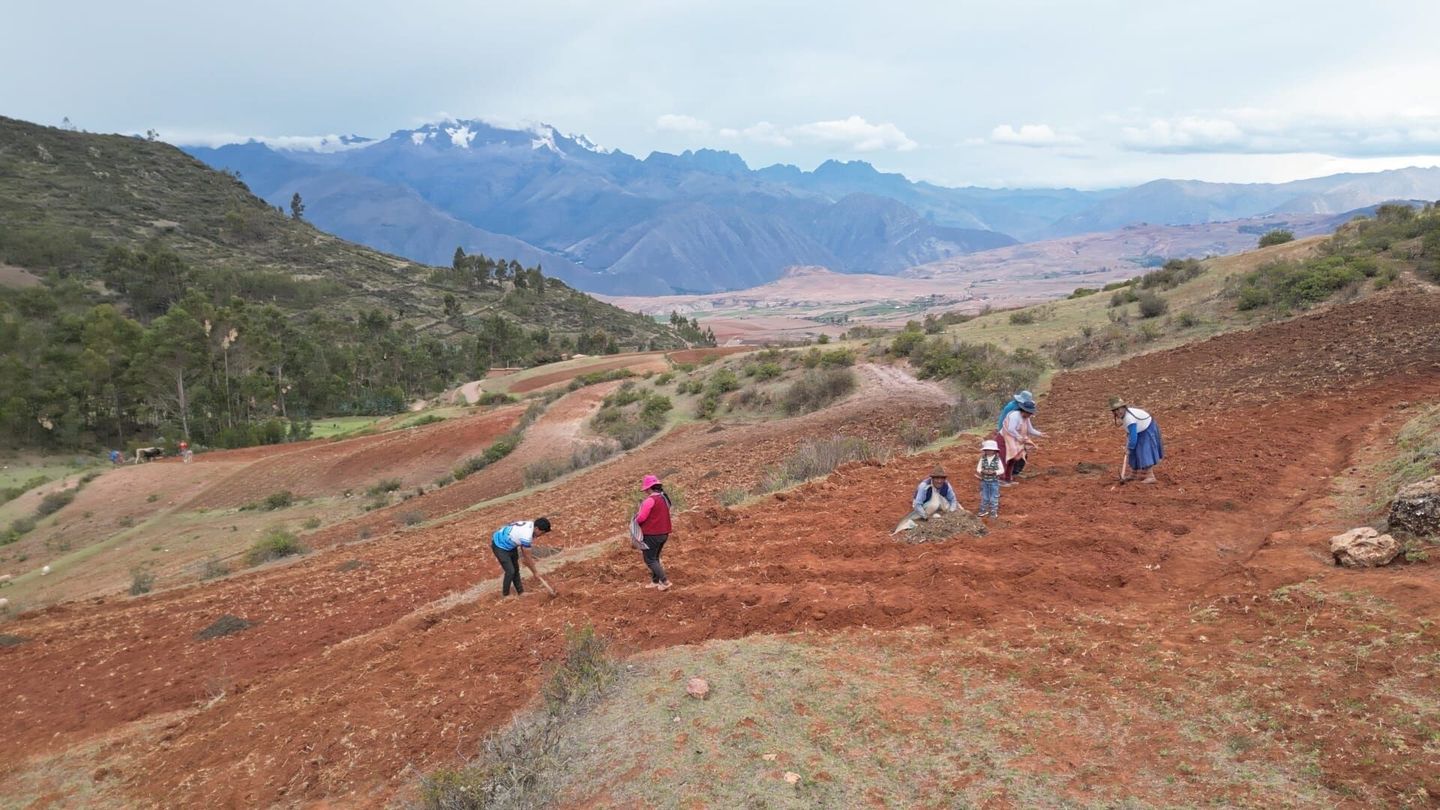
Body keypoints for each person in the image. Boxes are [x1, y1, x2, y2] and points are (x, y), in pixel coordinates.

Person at [490, 517, 551, 596]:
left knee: (516, 569)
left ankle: (521, 592)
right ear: (536, 528)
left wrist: (527, 562)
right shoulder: (526, 535)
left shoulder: (531, 526)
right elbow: (527, 557)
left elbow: (524, 553)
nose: (542, 535)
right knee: (510, 571)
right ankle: (505, 595)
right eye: (542, 532)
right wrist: (535, 572)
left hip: (511, 544)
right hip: (499, 545)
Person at [632, 475, 674, 591]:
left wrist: (634, 521)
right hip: (664, 533)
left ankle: (665, 581)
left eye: (646, 489)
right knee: (655, 557)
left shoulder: (650, 500)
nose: (645, 491)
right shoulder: (663, 498)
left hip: (652, 534)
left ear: (649, 488)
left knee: (649, 559)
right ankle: (655, 581)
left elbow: (641, 518)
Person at [1110, 397, 1163, 484]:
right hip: (1139, 429)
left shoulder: (1129, 418)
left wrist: (1129, 448)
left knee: (1144, 450)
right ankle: (1133, 474)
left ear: (1124, 407)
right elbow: (1130, 433)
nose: (1118, 412)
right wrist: (1129, 446)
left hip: (1147, 429)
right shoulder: (1124, 416)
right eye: (1115, 410)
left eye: (1119, 409)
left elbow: (1133, 436)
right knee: (1133, 451)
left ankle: (1150, 476)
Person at [998, 399, 1044, 484]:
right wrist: (1020, 437)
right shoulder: (1015, 416)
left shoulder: (1026, 418)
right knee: (1004, 458)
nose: (1030, 414)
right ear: (1024, 410)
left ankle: (1008, 478)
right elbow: (1010, 429)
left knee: (1012, 459)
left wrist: (1040, 434)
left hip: (1014, 440)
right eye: (1029, 412)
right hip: (1004, 438)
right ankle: (1001, 479)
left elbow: (1030, 429)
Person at [975, 439, 1003, 517]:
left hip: (994, 481)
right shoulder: (982, 458)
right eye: (987, 450)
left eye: (990, 450)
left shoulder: (997, 459)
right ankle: (983, 510)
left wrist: (994, 472)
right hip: (984, 481)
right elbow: (978, 468)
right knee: (984, 496)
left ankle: (993, 512)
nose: (988, 451)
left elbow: (1001, 470)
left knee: (994, 497)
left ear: (994, 451)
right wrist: (982, 471)